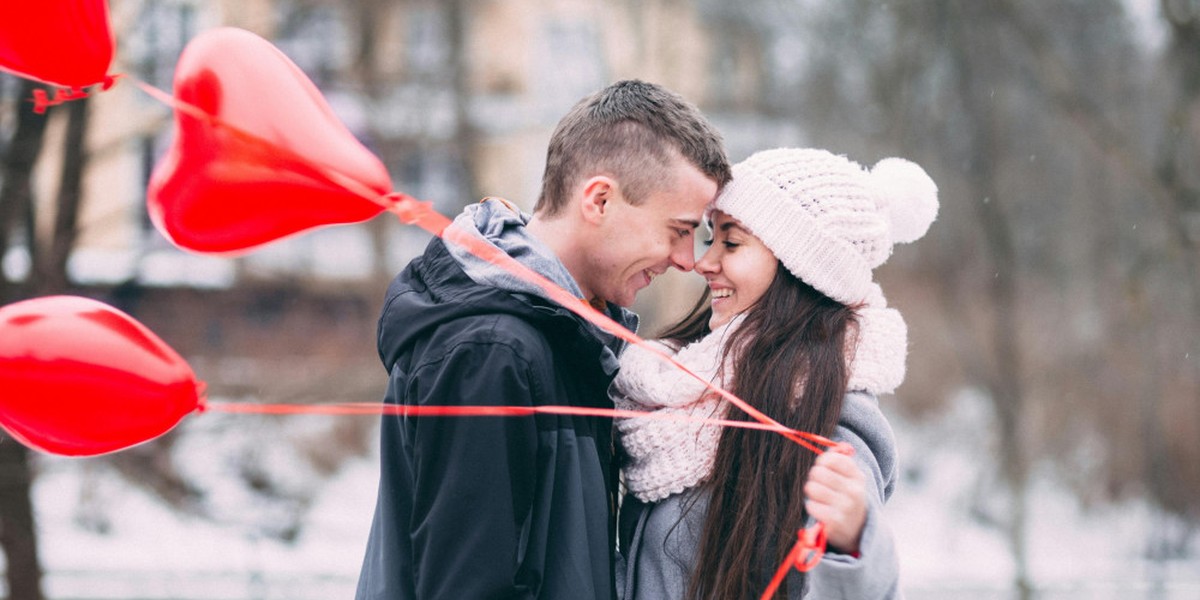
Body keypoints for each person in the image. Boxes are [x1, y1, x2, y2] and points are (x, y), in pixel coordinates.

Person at [355, 80, 731, 600]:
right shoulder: (491, 352)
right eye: (677, 230)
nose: (687, 259)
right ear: (599, 200)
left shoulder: (564, 340)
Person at [613, 147, 938, 599]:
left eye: (731, 242)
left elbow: (861, 585)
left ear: (800, 267)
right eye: (712, 238)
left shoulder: (828, 416)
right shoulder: (670, 388)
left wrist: (851, 542)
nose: (705, 262)